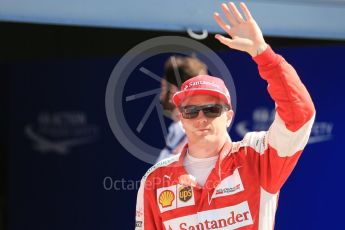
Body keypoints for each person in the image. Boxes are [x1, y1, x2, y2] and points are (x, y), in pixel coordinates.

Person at [135, 2, 315, 230]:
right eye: (191, 111)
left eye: (211, 109)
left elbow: (299, 115)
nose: (201, 117)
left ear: (228, 116)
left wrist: (263, 54)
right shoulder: (155, 180)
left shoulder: (256, 158)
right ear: (181, 117)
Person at [157, 55, 208, 163]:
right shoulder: (176, 132)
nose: (160, 96)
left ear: (173, 91)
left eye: (163, 87)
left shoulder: (198, 137)